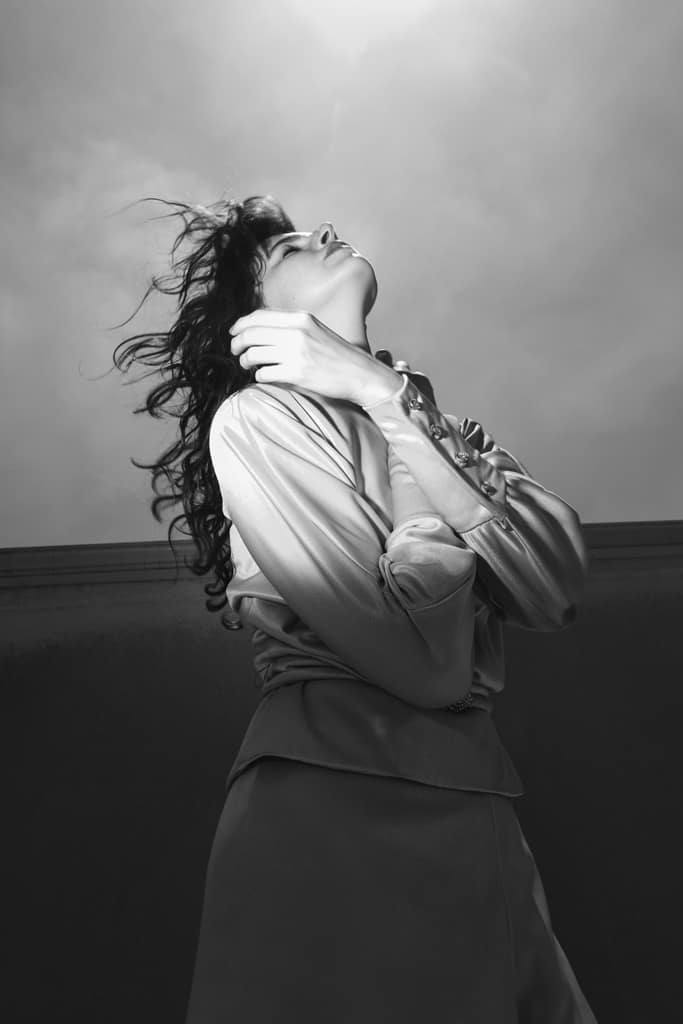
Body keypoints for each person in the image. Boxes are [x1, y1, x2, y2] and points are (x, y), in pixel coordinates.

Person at [114, 195, 599, 1022]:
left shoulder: (436, 424)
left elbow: (552, 588)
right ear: (257, 322)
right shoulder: (256, 421)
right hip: (331, 801)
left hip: (476, 803)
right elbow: (424, 663)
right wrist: (415, 474)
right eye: (288, 250)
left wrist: (385, 395)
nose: (326, 234)